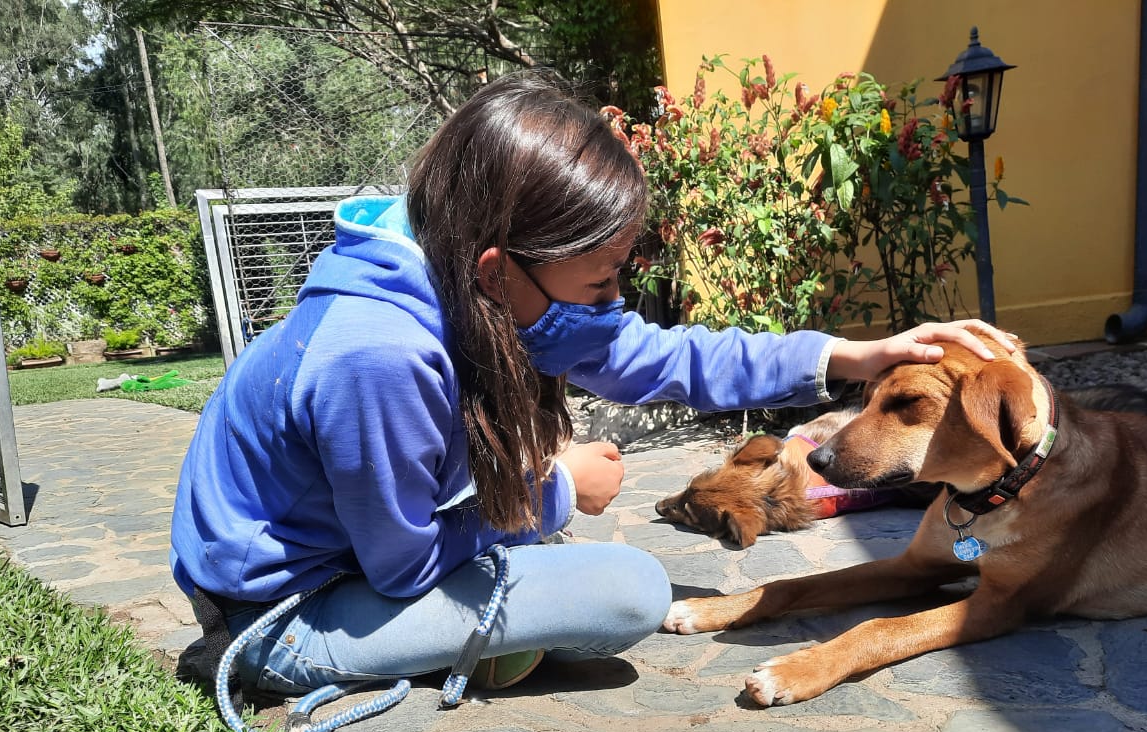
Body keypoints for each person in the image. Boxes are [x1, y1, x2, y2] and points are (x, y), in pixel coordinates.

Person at [170, 70, 1013, 700]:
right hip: (289, 608)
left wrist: (855, 356)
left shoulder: (476, 280)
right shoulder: (377, 355)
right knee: (627, 594)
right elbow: (402, 565)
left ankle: (478, 638)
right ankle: (300, 659)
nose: (613, 304)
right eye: (602, 281)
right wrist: (557, 494)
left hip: (355, 558)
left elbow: (670, 358)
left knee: (566, 585)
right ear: (499, 272)